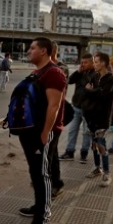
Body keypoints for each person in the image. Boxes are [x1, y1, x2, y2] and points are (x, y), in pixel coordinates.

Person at [17, 37, 66, 224]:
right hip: (30, 132)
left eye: (33, 48)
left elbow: (54, 107)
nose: (29, 51)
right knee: (35, 173)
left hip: (42, 134)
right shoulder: (38, 72)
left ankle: (42, 223)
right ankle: (38, 207)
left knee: (42, 175)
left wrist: (45, 134)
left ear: (44, 51)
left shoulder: (54, 73)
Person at [82, 52, 113, 187]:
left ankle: (107, 173)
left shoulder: (110, 79)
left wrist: (91, 91)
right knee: (94, 145)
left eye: (96, 62)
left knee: (101, 145)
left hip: (103, 117)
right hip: (92, 116)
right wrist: (91, 91)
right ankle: (97, 168)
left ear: (103, 63)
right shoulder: (95, 76)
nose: (94, 64)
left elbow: (102, 94)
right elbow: (87, 91)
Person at [60, 53, 95, 163]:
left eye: (86, 62)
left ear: (92, 63)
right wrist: (78, 71)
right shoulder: (80, 72)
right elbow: (69, 81)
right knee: (72, 130)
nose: (83, 64)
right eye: (82, 62)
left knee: (86, 132)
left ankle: (84, 153)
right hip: (77, 106)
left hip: (88, 109)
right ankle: (69, 152)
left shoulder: (95, 74)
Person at [48, 41, 67, 199]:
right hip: (47, 120)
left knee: (48, 155)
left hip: (53, 121)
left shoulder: (59, 69)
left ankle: (50, 187)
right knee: (52, 153)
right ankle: (56, 183)